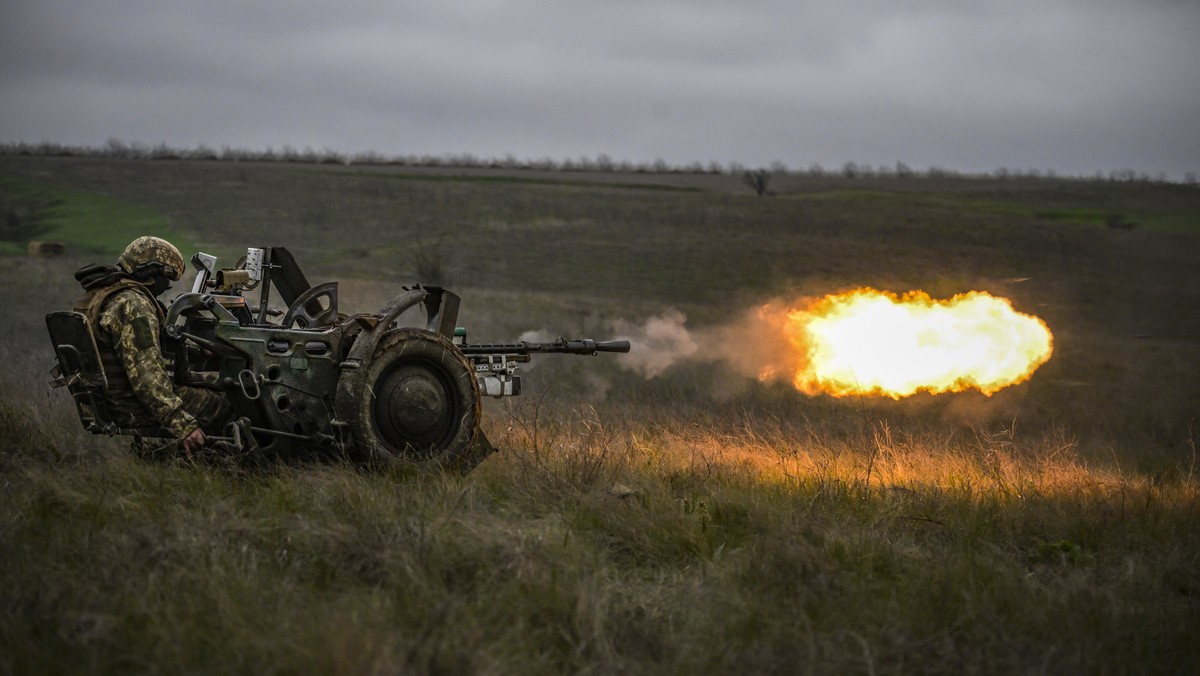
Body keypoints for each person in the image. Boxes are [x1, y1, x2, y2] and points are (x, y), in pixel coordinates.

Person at [73, 236, 229, 456]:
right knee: (230, 402)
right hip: (131, 404)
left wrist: (198, 350)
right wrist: (182, 425)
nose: (169, 285)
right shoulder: (133, 305)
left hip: (114, 398)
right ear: (150, 272)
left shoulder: (106, 295)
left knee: (225, 382)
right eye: (167, 276)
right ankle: (223, 462)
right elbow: (147, 375)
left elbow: (143, 350)